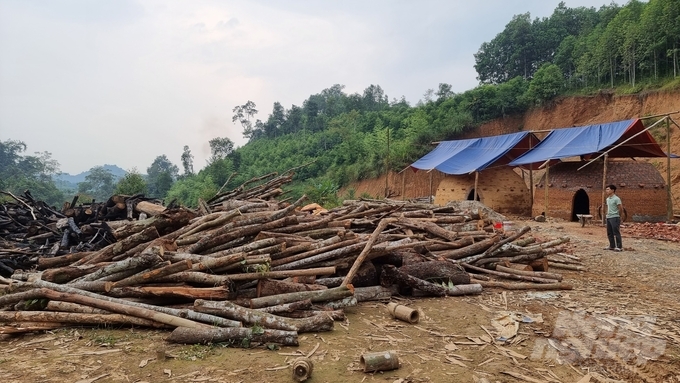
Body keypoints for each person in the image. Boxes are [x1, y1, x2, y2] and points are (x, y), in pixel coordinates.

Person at [603, 184, 623, 252]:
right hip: (609, 217)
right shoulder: (608, 199)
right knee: (609, 232)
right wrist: (607, 214)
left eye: (608, 189)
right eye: (606, 189)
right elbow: (608, 207)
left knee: (616, 232)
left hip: (615, 217)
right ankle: (612, 246)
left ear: (613, 190)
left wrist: (619, 216)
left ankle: (619, 247)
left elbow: (620, 208)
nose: (606, 191)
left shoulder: (616, 199)